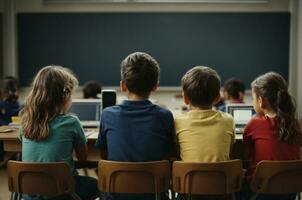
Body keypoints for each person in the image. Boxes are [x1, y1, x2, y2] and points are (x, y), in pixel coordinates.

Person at [95, 52, 174, 200]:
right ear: (155, 86)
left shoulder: (107, 115)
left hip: (115, 195)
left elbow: (104, 155)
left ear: (123, 85)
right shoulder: (164, 116)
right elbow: (168, 153)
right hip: (154, 195)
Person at [20, 66, 98, 200]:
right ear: (65, 96)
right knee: (99, 186)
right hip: (62, 193)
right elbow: (83, 158)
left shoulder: (25, 121)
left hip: (29, 193)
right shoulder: (72, 122)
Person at [174, 66, 235, 200]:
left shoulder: (178, 122)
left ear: (185, 98)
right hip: (221, 192)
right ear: (217, 98)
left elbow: (175, 151)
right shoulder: (228, 120)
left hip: (189, 193)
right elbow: (230, 151)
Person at [241, 72, 301, 200]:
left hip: (260, 192)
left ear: (261, 101)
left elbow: (245, 156)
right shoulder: (296, 124)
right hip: (290, 192)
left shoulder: (255, 124)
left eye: (253, 98)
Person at [0, 76, 21, 161]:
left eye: (14, 90)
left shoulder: (17, 105)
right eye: (7, 91)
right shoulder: (2, 105)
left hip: (14, 134)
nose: (12, 94)